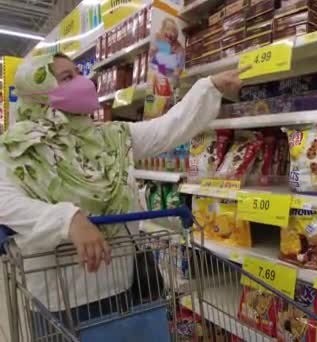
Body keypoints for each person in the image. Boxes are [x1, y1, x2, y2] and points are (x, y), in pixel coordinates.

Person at [0, 53, 244, 322]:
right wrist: (67, 220)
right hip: (60, 299)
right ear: (39, 92)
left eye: (79, 75)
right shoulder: (16, 150)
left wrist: (209, 86)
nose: (83, 83)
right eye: (67, 78)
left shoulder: (111, 137)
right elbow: (5, 202)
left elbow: (166, 129)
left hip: (120, 285)